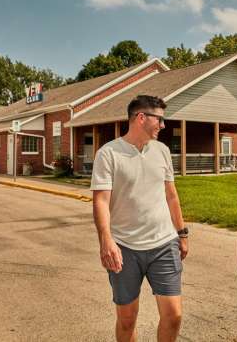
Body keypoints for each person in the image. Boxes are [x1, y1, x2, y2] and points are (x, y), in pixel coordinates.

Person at [91, 95, 188, 342]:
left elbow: (171, 196)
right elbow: (101, 201)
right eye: (160, 119)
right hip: (124, 247)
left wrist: (182, 233)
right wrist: (106, 241)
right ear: (141, 118)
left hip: (164, 244)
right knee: (127, 320)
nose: (163, 125)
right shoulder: (108, 154)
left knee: (174, 315)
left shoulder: (162, 151)